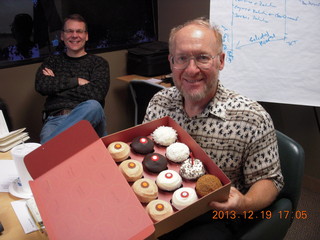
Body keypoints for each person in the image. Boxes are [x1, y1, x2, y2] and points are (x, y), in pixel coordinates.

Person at [143, 18, 284, 239]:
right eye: (182, 58)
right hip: (159, 200)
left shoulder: (252, 117)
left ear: (220, 61)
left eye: (202, 58)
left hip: (214, 215)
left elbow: (270, 180)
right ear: (171, 62)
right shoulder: (159, 103)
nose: (191, 70)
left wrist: (244, 203)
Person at [35, 14, 110, 144]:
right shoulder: (52, 61)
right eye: (69, 31)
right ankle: (50, 148)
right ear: (62, 36)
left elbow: (97, 94)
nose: (74, 35)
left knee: (93, 105)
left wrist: (57, 85)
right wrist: (76, 82)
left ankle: (47, 149)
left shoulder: (98, 63)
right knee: (52, 162)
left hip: (89, 121)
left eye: (79, 31)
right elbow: (42, 85)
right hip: (56, 121)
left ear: (86, 36)